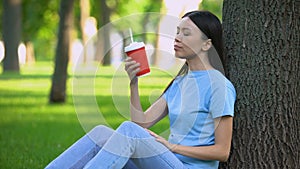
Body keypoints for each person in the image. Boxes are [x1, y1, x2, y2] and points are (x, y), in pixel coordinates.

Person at [45, 10, 236, 169]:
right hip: (166, 161)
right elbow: (141, 124)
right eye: (177, 31)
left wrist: (172, 147)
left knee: (127, 130)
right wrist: (133, 83)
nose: (177, 38)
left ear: (207, 44)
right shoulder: (180, 82)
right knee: (100, 134)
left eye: (186, 33)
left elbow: (222, 152)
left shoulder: (219, 86)